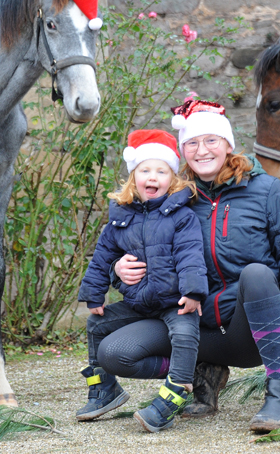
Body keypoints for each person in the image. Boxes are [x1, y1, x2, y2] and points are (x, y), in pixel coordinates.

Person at [97, 97, 280, 432]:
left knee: (258, 274)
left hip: (248, 330)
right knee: (114, 353)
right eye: (192, 143)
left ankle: (278, 393)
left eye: (211, 141)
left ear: (228, 144)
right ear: (183, 150)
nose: (202, 150)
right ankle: (196, 374)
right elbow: (134, 251)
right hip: (191, 326)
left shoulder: (264, 190)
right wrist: (119, 271)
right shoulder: (173, 198)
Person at [76, 129, 209, 433]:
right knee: (97, 325)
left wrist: (193, 292)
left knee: (186, 333)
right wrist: (94, 294)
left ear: (172, 179)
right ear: (133, 177)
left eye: (161, 171)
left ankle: (173, 396)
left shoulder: (181, 217)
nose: (153, 176)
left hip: (174, 302)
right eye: (145, 170)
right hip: (138, 303)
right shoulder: (120, 219)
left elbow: (191, 255)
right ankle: (104, 388)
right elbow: (101, 258)